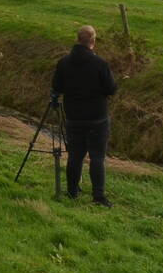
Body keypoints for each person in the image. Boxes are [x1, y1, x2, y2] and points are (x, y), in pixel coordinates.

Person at [51, 24, 119, 206]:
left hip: (74, 116)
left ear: (77, 40)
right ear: (93, 42)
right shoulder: (100, 64)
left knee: (75, 155)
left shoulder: (64, 62)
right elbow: (111, 89)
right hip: (97, 117)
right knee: (97, 156)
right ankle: (98, 196)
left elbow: (56, 87)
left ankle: (72, 190)